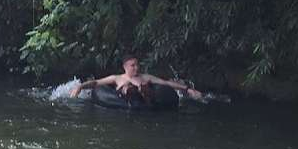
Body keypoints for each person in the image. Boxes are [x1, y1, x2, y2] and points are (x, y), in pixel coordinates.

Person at [70, 55, 203, 102]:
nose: (136, 68)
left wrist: (188, 89)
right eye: (132, 65)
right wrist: (80, 87)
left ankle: (142, 91)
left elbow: (166, 83)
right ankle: (131, 90)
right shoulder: (117, 78)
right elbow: (96, 82)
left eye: (137, 65)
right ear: (125, 67)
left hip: (146, 100)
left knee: (145, 86)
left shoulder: (145, 77)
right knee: (127, 87)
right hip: (124, 98)